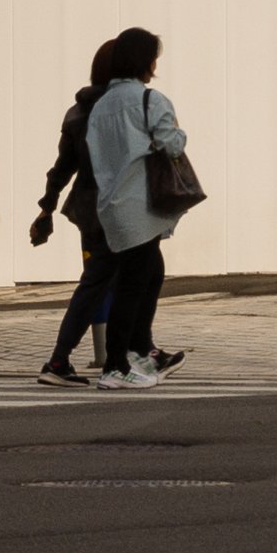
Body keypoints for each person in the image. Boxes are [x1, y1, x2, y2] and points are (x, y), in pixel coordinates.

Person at [84, 25, 188, 390]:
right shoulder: (150, 101)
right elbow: (170, 144)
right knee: (132, 285)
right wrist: (179, 133)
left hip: (111, 205)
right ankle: (116, 365)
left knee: (145, 275)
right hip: (140, 206)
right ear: (145, 61)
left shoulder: (100, 106)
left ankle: (140, 351)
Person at [30, 40, 119, 386]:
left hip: (86, 207)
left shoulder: (77, 110)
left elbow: (62, 167)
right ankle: (76, 360)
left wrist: (46, 209)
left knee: (101, 282)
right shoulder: (118, 108)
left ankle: (72, 360)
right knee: (120, 280)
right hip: (115, 206)